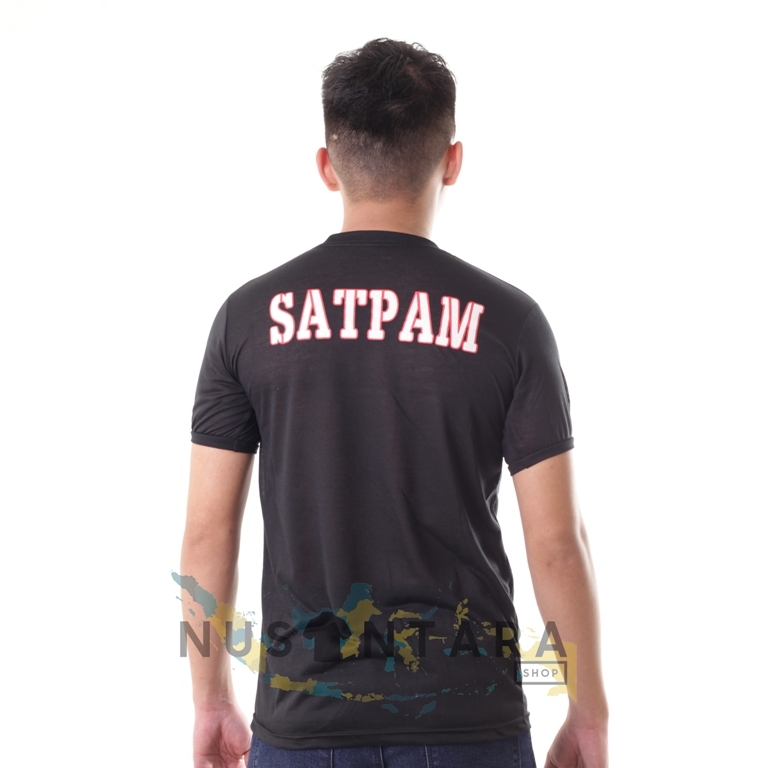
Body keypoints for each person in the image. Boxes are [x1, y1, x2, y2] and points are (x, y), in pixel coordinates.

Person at [180, 38, 608, 768]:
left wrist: (210, 699)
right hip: (471, 722)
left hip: (302, 723)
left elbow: (205, 533)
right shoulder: (510, 322)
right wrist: (587, 710)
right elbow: (556, 543)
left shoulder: (247, 318)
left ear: (327, 167)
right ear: (453, 161)